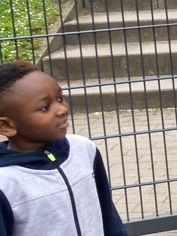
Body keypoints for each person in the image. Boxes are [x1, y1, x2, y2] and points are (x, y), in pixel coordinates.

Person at [0, 61, 127, 236]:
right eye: (45, 107)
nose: (62, 109)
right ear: (7, 125)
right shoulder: (6, 183)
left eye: (59, 98)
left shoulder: (84, 149)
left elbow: (108, 214)